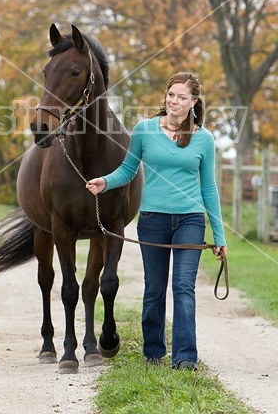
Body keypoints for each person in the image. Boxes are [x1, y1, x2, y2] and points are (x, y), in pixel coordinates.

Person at [86, 72, 227, 370]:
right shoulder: (144, 130)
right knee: (154, 288)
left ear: (194, 102)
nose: (174, 101)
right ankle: (153, 352)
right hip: (152, 219)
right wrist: (104, 182)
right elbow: (127, 170)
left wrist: (220, 236)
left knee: (183, 288)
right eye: (171, 95)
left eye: (182, 97)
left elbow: (209, 189)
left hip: (190, 219)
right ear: (165, 96)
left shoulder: (203, 139)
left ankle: (186, 357)